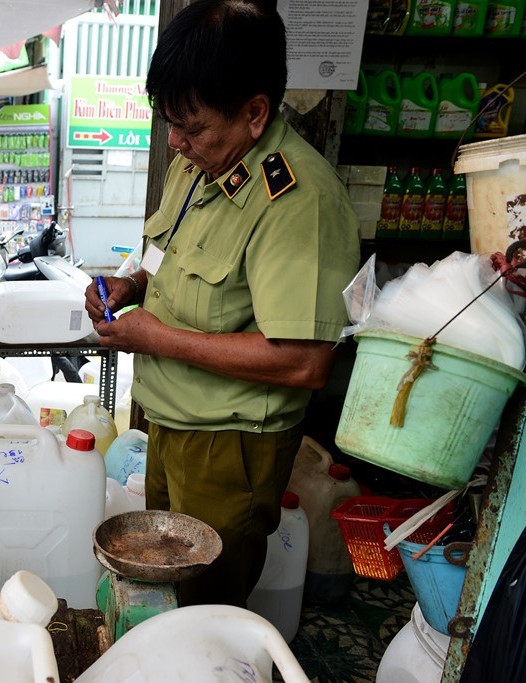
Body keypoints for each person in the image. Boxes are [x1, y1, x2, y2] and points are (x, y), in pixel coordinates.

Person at [84, 0, 360, 608]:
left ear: (255, 113)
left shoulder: (298, 201)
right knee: (158, 595)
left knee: (204, 605)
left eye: (193, 127)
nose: (177, 144)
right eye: (169, 124)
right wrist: (132, 285)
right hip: (169, 424)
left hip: (229, 448)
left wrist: (157, 339)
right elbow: (170, 254)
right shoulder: (201, 163)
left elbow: (305, 362)